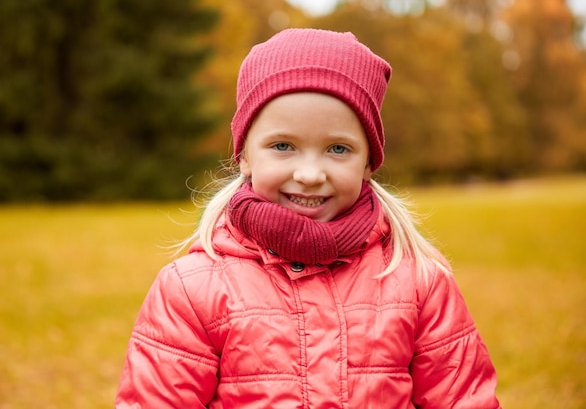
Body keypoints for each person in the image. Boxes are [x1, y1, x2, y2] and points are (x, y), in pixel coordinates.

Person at [115, 28, 500, 408]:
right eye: (283, 146)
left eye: (337, 148)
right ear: (245, 155)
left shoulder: (418, 280)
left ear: (368, 161)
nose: (310, 174)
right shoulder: (191, 289)